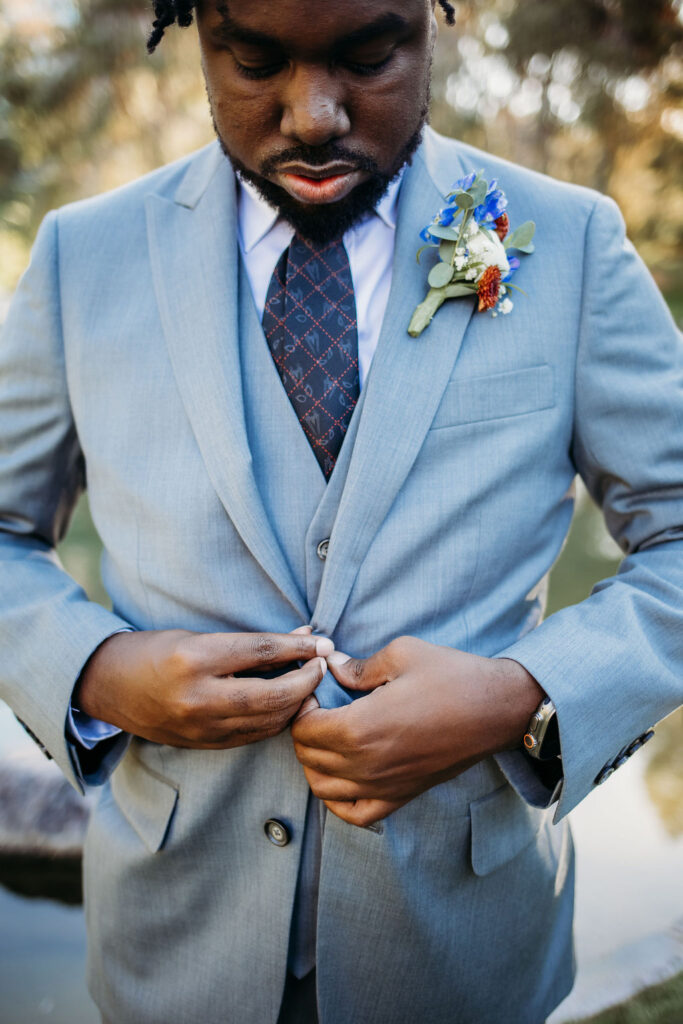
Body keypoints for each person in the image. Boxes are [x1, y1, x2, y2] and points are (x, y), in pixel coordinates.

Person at [0, 1, 681, 1021]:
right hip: (171, 952)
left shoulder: (568, 247)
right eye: (254, 60)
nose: (314, 114)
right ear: (196, 37)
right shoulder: (80, 258)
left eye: (367, 57)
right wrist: (95, 671)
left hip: (461, 959)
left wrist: (518, 695)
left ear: (429, 25)